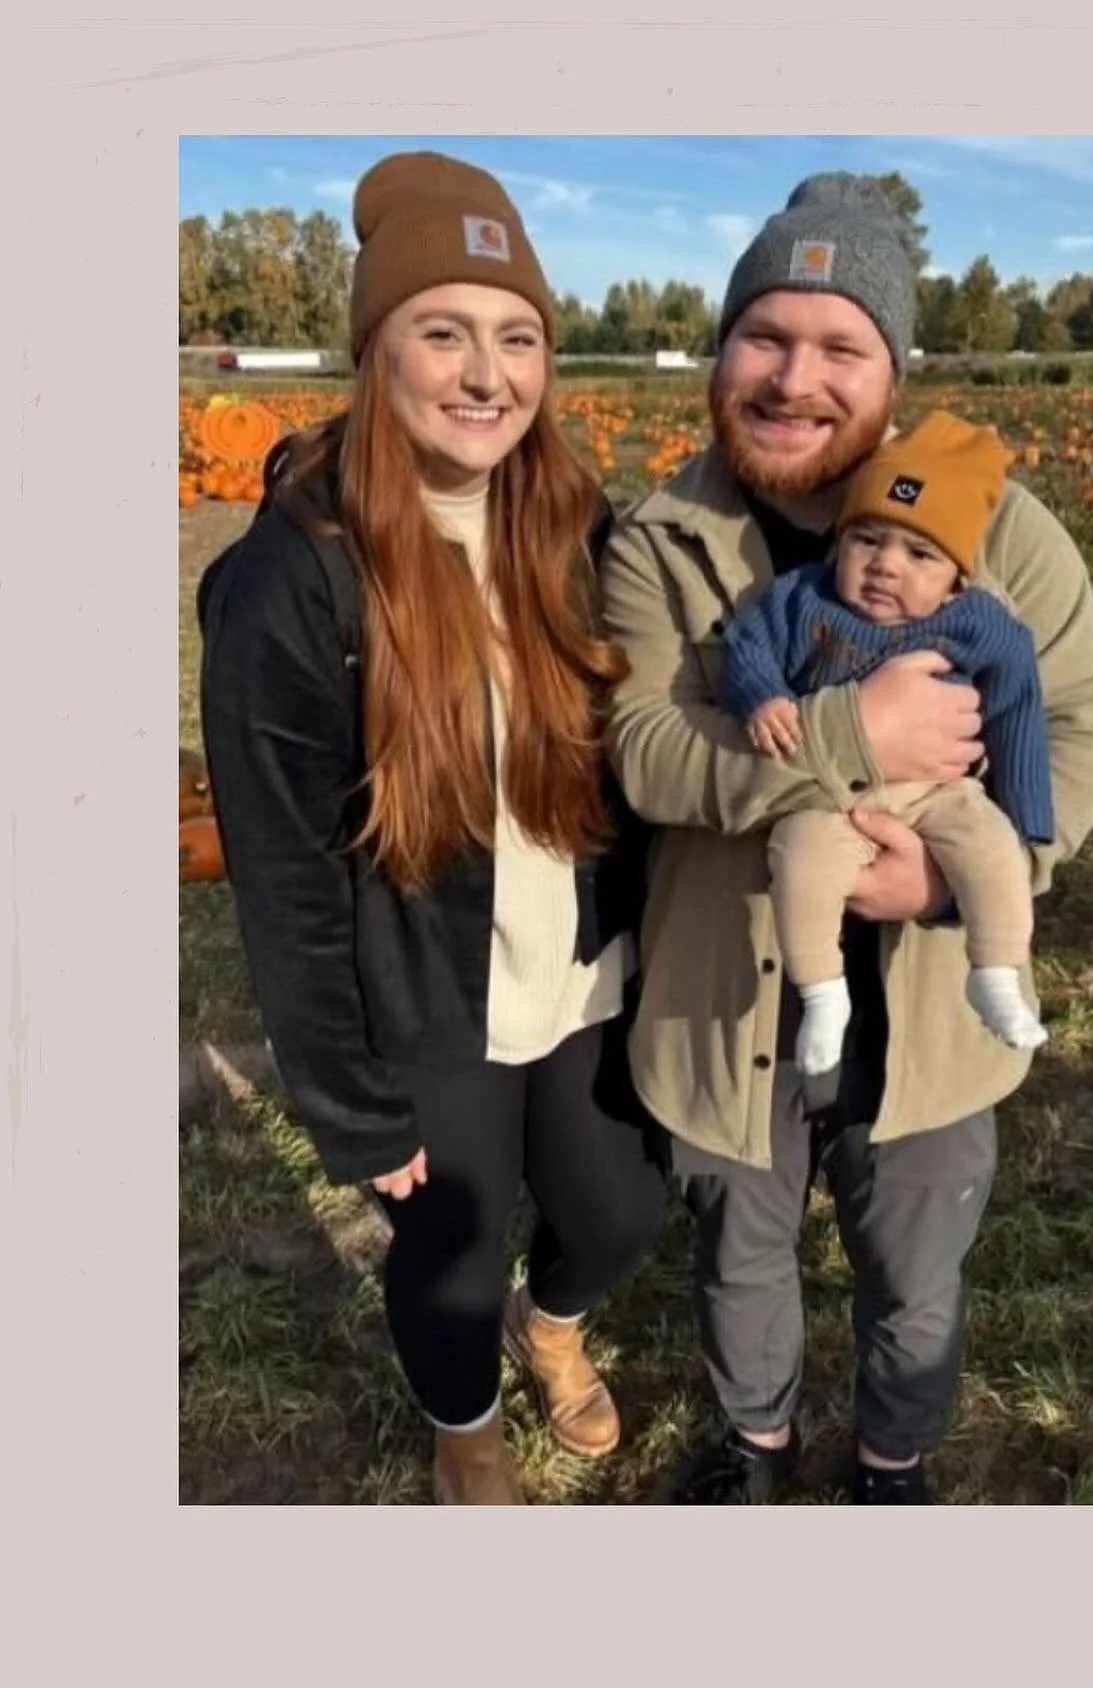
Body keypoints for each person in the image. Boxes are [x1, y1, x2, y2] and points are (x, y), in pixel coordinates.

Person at [599, 173, 1093, 1504]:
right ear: (721, 353)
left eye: (839, 346)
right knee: (740, 1255)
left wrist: (952, 874)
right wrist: (856, 742)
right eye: (764, 337)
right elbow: (647, 750)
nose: (794, 380)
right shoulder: (662, 541)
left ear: (892, 370)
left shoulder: (1006, 532)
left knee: (913, 1272)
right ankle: (757, 1442)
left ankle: (890, 1462)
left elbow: (1084, 734)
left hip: (929, 1013)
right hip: (727, 992)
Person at [198, 151, 669, 1506]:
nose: (486, 373)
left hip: (579, 973)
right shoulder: (297, 574)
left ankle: (555, 1325)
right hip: (427, 1000)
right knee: (451, 1252)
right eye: (442, 332)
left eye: (516, 337)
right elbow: (282, 877)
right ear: (375, 352)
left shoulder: (576, 524)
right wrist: (347, 1099)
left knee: (619, 1211)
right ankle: (464, 1421)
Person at [720, 411, 1054, 1084]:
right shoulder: (802, 600)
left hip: (939, 790)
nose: (883, 566)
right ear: (838, 542)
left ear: (958, 578)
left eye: (918, 554)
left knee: (995, 849)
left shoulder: (980, 624)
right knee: (801, 859)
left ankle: (994, 970)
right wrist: (762, 696)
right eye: (866, 540)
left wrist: (1027, 818)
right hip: (829, 795)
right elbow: (744, 647)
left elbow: (1019, 706)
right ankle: (822, 993)